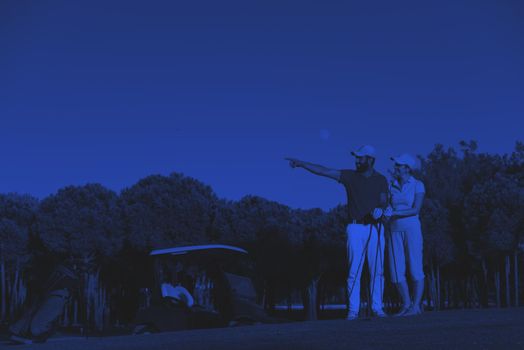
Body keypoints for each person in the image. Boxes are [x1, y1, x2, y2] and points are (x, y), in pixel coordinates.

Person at [286, 145, 389, 320]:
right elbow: (324, 171)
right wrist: (302, 164)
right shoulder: (350, 176)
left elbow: (384, 201)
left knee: (377, 271)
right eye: (356, 157)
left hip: (376, 228)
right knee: (354, 270)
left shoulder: (381, 179)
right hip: (355, 228)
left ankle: (378, 309)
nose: (357, 160)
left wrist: (381, 209)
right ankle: (353, 311)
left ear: (370, 160)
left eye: (360, 158)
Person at [384, 154, 426, 316]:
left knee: (415, 267)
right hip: (394, 229)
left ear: (407, 168)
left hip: (412, 228)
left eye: (399, 166)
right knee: (395, 270)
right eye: (396, 165)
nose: (396, 168)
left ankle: (416, 306)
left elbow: (416, 209)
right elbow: (387, 206)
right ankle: (407, 304)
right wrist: (386, 213)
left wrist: (394, 212)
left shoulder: (417, 185)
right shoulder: (391, 185)